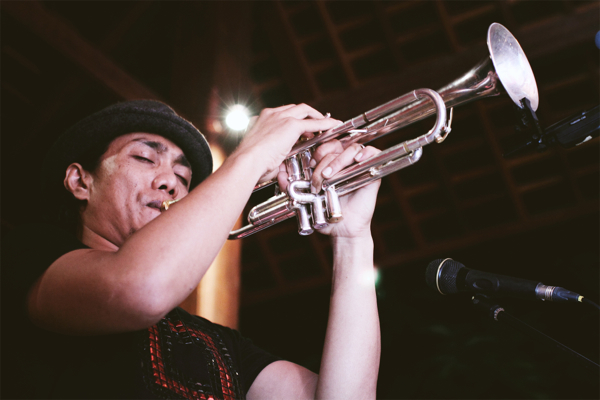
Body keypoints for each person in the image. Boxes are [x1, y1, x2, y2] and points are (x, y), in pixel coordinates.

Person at [2, 100, 381, 399]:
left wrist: (353, 239)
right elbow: (141, 288)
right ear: (79, 181)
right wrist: (251, 156)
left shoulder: (219, 346)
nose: (170, 182)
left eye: (183, 178)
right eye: (145, 158)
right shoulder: (30, 253)